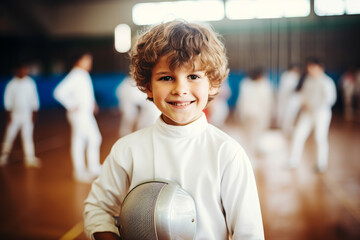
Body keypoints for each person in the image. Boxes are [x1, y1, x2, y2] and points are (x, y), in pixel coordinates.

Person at [84, 20, 264, 240]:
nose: (180, 89)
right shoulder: (126, 150)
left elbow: (249, 233)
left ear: (214, 84)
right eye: (167, 78)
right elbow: (97, 209)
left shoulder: (228, 154)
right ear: (148, 86)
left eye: (193, 76)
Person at [53, 53, 102, 183]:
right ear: (78, 61)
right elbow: (58, 92)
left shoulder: (83, 74)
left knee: (80, 140)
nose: (89, 63)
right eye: (87, 60)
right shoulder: (76, 75)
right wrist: (71, 105)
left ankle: (86, 170)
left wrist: (93, 103)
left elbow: (85, 94)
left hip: (85, 113)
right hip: (80, 114)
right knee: (93, 138)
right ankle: (88, 169)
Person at [288, 58, 337, 172]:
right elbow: (302, 95)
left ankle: (321, 164)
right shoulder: (307, 80)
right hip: (307, 113)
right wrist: (303, 103)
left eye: (312, 67)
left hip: (321, 113)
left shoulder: (327, 82)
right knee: (298, 135)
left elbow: (330, 99)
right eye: (309, 67)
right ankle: (293, 161)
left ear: (320, 68)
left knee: (320, 137)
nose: (310, 70)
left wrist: (315, 106)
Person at [0, 63, 41, 167]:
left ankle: (29, 158)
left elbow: (34, 98)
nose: (25, 71)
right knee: (9, 136)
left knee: (27, 136)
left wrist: (34, 112)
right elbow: (7, 99)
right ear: (17, 70)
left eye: (26, 69)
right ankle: (4, 156)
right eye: (23, 69)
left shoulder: (30, 83)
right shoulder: (12, 84)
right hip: (15, 115)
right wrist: (8, 114)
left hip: (27, 115)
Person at [235, 67, 274, 157]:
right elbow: (267, 102)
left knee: (254, 133)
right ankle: (250, 151)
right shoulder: (262, 85)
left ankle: (252, 150)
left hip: (253, 114)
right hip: (253, 114)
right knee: (252, 133)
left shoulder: (247, 84)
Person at [277, 64, 301, 135]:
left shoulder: (285, 75)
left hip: (288, 100)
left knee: (288, 116)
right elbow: (291, 89)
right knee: (287, 116)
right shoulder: (291, 76)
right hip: (288, 100)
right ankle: (285, 131)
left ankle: (286, 130)